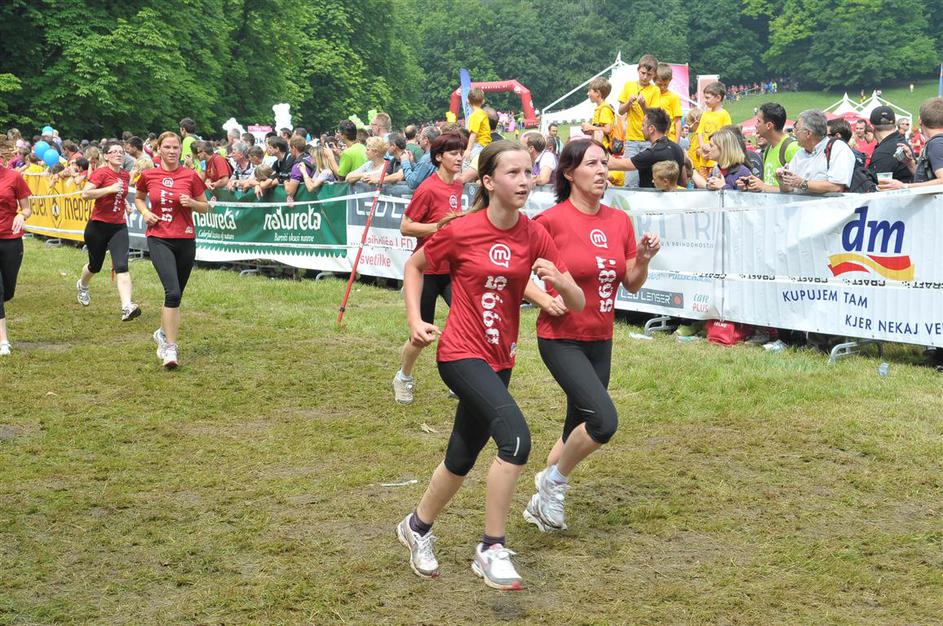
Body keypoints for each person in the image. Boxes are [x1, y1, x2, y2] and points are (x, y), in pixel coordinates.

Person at [395, 140, 584, 590]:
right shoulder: (463, 230)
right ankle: (491, 547)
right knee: (515, 440)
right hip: (459, 353)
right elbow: (415, 266)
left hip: (501, 357)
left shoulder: (534, 234)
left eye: (529, 172)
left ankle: (416, 527)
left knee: (461, 457)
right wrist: (416, 320)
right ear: (488, 181)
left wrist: (559, 283)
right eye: (513, 173)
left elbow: (576, 302)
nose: (525, 180)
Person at [522, 138, 659, 533]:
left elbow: (631, 282)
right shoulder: (550, 221)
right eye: (592, 164)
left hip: (601, 337)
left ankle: (541, 501)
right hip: (560, 338)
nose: (602, 171)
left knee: (576, 426)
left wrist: (643, 260)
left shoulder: (619, 221)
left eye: (605, 163)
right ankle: (554, 483)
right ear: (569, 172)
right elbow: (514, 272)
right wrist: (543, 299)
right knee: (603, 422)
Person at [392, 132, 466, 404]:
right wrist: (439, 228)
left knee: (466, 322)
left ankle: (461, 380)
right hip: (425, 271)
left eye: (462, 152)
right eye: (454, 153)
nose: (460, 157)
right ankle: (403, 377)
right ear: (438, 157)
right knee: (421, 335)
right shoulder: (427, 188)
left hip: (451, 270)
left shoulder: (458, 186)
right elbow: (405, 226)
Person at [134, 131, 211, 369]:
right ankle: (170, 348)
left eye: (175, 147)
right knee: (173, 292)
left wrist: (192, 203)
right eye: (167, 147)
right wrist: (145, 212)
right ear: (159, 149)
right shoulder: (149, 175)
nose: (171, 151)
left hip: (185, 239)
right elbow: (139, 197)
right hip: (159, 238)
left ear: (180, 150)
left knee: (176, 296)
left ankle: (161, 333)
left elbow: (205, 206)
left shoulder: (190, 175)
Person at [76, 141, 140, 321]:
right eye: (114, 152)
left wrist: (125, 204)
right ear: (105, 156)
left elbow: (119, 195)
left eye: (121, 151)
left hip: (118, 226)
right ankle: (82, 285)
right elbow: (85, 194)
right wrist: (109, 189)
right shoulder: (101, 173)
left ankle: (126, 307)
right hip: (98, 226)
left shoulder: (125, 175)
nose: (119, 154)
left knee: (122, 266)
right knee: (95, 266)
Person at [774, 109, 855, 194]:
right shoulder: (800, 153)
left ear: (808, 133)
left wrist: (802, 183)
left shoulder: (838, 148)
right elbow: (790, 189)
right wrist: (783, 181)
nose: (794, 134)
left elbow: (836, 187)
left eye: (796, 129)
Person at [0, 155, 32, 356]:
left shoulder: (14, 177)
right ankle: (3, 341)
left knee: (8, 292)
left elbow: (27, 208)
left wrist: (21, 215)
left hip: (11, 240)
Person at [609, 108, 687, 188]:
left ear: (651, 129)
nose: (641, 129)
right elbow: (684, 182)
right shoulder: (678, 148)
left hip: (652, 195)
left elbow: (614, 164)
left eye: (643, 125)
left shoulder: (652, 153)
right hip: (675, 194)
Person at [879, 97, 943, 190]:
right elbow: (926, 178)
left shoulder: (937, 144)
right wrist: (910, 163)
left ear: (920, 120)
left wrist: (904, 186)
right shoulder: (937, 142)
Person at [617, 53, 660, 188]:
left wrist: (643, 105)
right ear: (638, 70)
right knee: (630, 180)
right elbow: (620, 111)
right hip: (631, 140)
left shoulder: (655, 90)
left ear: (654, 75)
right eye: (643, 73)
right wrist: (628, 103)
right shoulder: (628, 85)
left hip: (648, 141)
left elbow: (654, 116)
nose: (645, 77)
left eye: (649, 75)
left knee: (648, 180)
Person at [738, 103, 801, 192]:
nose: (756, 125)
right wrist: (751, 185)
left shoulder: (792, 148)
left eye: (758, 121)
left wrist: (763, 187)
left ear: (769, 125)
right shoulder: (768, 148)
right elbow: (769, 184)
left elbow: (797, 190)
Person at [692, 81, 732, 177]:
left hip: (716, 161)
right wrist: (702, 146)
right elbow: (700, 132)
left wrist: (711, 148)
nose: (705, 100)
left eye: (707, 98)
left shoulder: (724, 114)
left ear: (718, 98)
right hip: (704, 160)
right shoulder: (705, 114)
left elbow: (726, 136)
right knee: (703, 182)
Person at [867, 106, 913, 184]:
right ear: (895, 124)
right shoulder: (903, 143)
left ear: (872, 127)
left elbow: (873, 185)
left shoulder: (883, 152)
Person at [581, 78, 615, 153]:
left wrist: (590, 127)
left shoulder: (604, 109)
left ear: (598, 93)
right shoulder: (599, 108)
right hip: (600, 147)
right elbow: (599, 129)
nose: (588, 94)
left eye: (590, 91)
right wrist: (590, 131)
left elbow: (607, 130)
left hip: (604, 148)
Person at [463, 88, 492, 164]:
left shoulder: (474, 115)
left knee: (466, 163)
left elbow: (473, 133)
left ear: (468, 101)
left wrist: (468, 150)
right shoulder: (482, 113)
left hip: (479, 145)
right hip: (486, 145)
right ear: (483, 101)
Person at [655, 63, 682, 142]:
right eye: (659, 84)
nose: (662, 87)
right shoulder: (651, 95)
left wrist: (676, 142)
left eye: (666, 84)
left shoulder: (674, 97)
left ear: (670, 80)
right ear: (654, 79)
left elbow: (678, 121)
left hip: (669, 138)